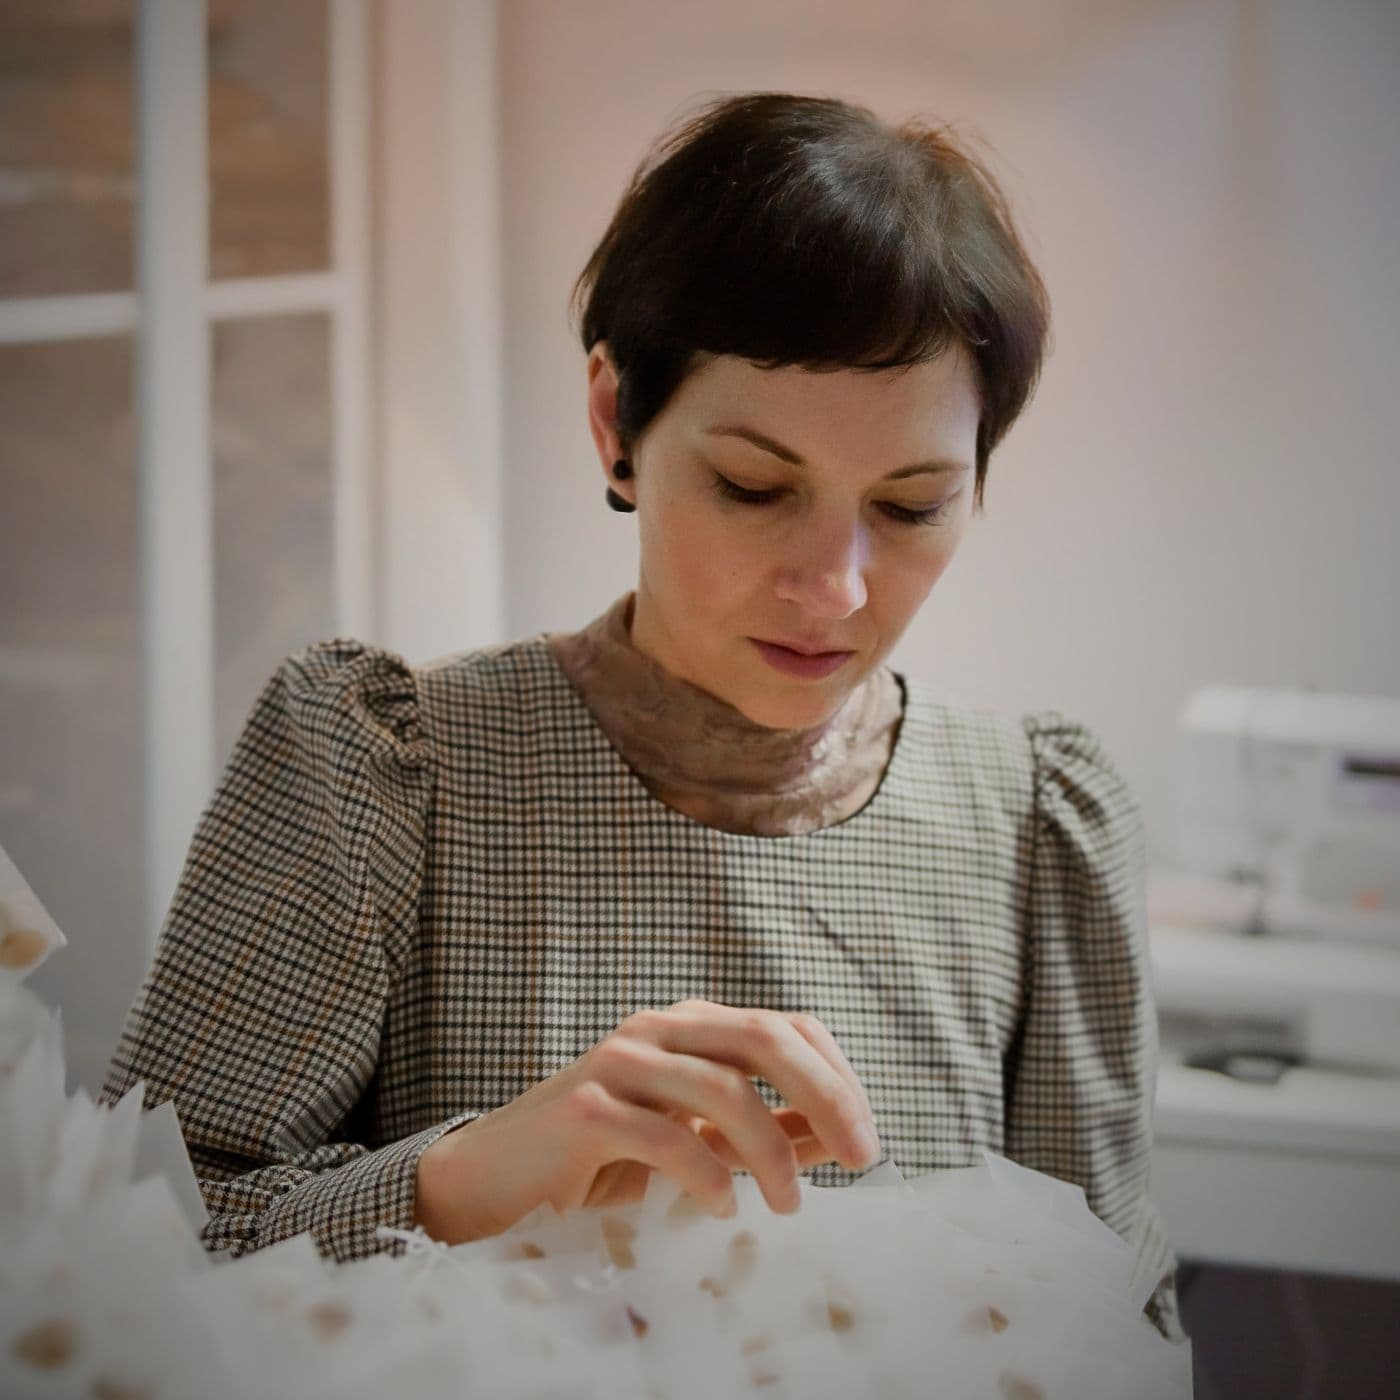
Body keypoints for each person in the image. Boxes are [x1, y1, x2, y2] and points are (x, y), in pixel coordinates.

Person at [100, 91, 1184, 1342]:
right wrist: (467, 1177)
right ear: (616, 423)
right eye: (752, 484)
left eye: (912, 504)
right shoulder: (385, 770)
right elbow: (133, 1253)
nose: (833, 587)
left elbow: (1115, 1325)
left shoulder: (1033, 830)